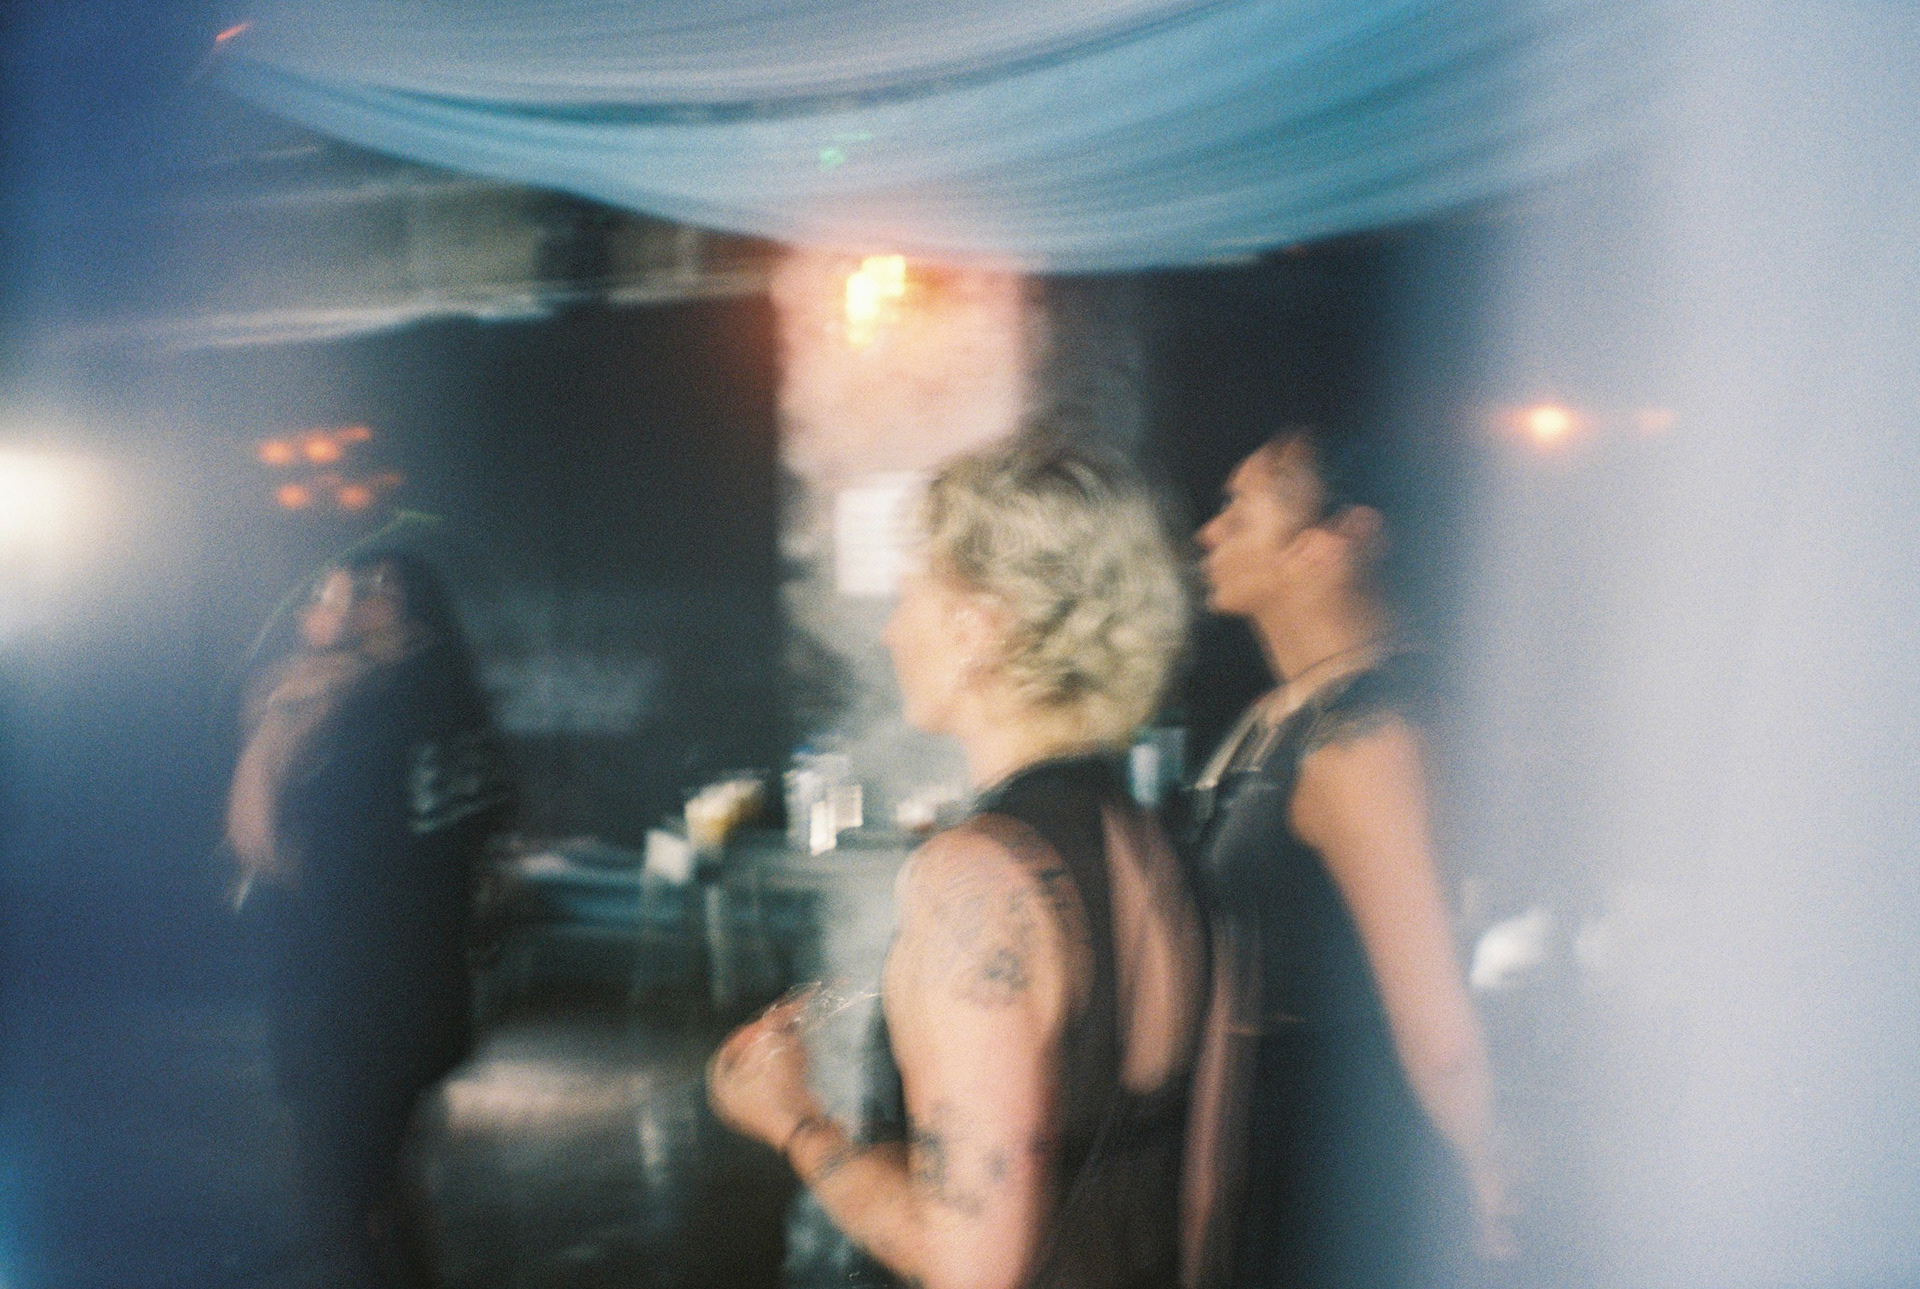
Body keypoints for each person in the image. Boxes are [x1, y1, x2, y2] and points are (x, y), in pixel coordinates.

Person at [708, 438, 1207, 1289]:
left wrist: (792, 1119)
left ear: (977, 628)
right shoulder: (1154, 843)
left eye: (912, 591)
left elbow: (971, 1265)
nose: (892, 628)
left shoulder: (977, 874)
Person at [1186, 428, 1511, 1289]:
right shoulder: (1283, 717)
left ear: (1331, 542)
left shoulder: (1372, 737)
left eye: (1239, 511)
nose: (1208, 532)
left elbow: (1437, 1022)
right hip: (1273, 1150)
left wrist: (1489, 1174)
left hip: (1345, 1172)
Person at [227, 552, 513, 1285]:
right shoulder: (452, 700)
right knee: (377, 1189)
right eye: (337, 594)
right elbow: (480, 840)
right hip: (416, 992)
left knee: (338, 1202)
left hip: (351, 998)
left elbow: (260, 837)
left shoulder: (376, 709)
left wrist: (284, 717)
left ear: (409, 607)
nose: (350, 607)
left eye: (367, 591)